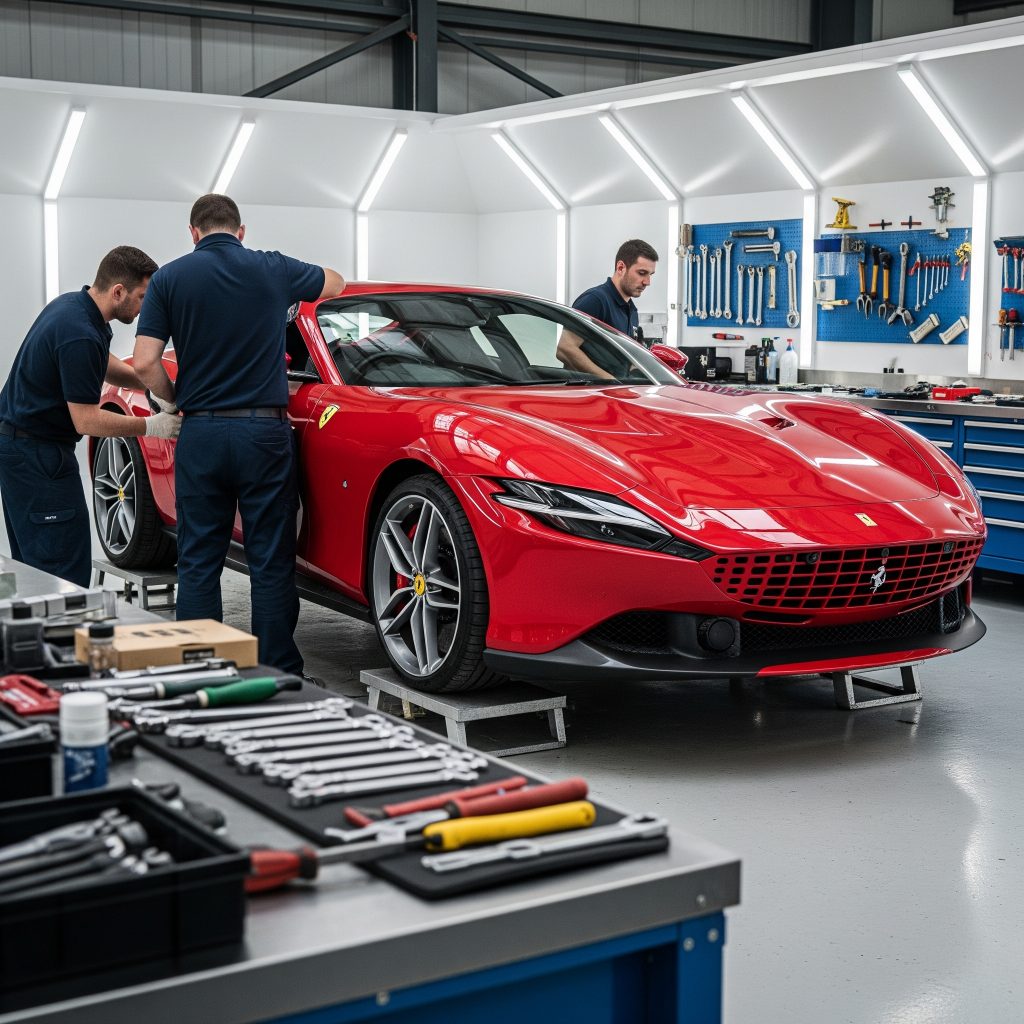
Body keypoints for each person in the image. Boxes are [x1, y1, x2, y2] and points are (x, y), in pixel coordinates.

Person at [133, 194, 345, 676]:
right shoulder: (271, 267)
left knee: (199, 558)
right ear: (241, 231)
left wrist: (172, 400)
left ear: (193, 233)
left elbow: (145, 361)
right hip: (262, 433)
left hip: (202, 431)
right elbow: (336, 282)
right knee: (269, 559)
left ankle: (199, 667)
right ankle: (276, 669)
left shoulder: (168, 278)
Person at [0, 246, 179, 587]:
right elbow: (87, 421)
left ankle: (38, 637)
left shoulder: (76, 308)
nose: (145, 308)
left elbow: (105, 365)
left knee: (36, 568)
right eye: (142, 297)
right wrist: (151, 426)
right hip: (37, 458)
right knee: (61, 572)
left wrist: (149, 383)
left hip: (22, 451)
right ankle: (61, 639)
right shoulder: (79, 333)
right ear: (118, 292)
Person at [556, 238, 659, 379]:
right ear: (621, 268)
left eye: (650, 275)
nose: (647, 282)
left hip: (615, 395)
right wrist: (611, 381)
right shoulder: (595, 300)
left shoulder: (632, 311)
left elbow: (626, 360)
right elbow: (565, 349)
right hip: (588, 395)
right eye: (642, 273)